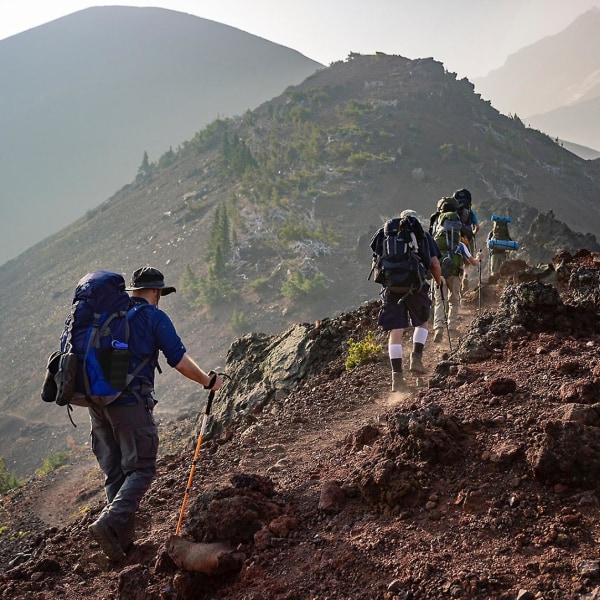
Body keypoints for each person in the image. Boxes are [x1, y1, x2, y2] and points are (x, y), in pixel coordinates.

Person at [88, 266, 224, 561]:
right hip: (130, 403)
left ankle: (120, 546)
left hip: (98, 405)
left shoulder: (109, 316)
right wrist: (208, 381)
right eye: (160, 292)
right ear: (156, 292)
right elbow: (178, 359)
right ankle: (108, 524)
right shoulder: (153, 317)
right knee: (142, 469)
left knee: (116, 473)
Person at [372, 210, 443, 392]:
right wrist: (439, 281)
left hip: (391, 288)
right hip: (415, 286)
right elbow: (434, 264)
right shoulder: (423, 236)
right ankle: (416, 359)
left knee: (396, 331)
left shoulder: (384, 235)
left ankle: (397, 378)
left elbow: (376, 262)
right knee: (422, 323)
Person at [432, 237, 483, 342]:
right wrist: (479, 258)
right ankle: (452, 328)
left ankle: (439, 328)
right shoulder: (460, 245)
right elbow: (473, 263)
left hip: (439, 275)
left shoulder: (435, 242)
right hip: (455, 276)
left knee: (440, 301)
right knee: (454, 301)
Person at [453, 188, 481, 292]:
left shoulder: (453, 212)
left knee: (457, 262)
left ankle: (458, 281)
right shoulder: (470, 212)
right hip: (468, 239)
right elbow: (477, 227)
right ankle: (466, 277)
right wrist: (472, 233)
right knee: (467, 262)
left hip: (456, 238)